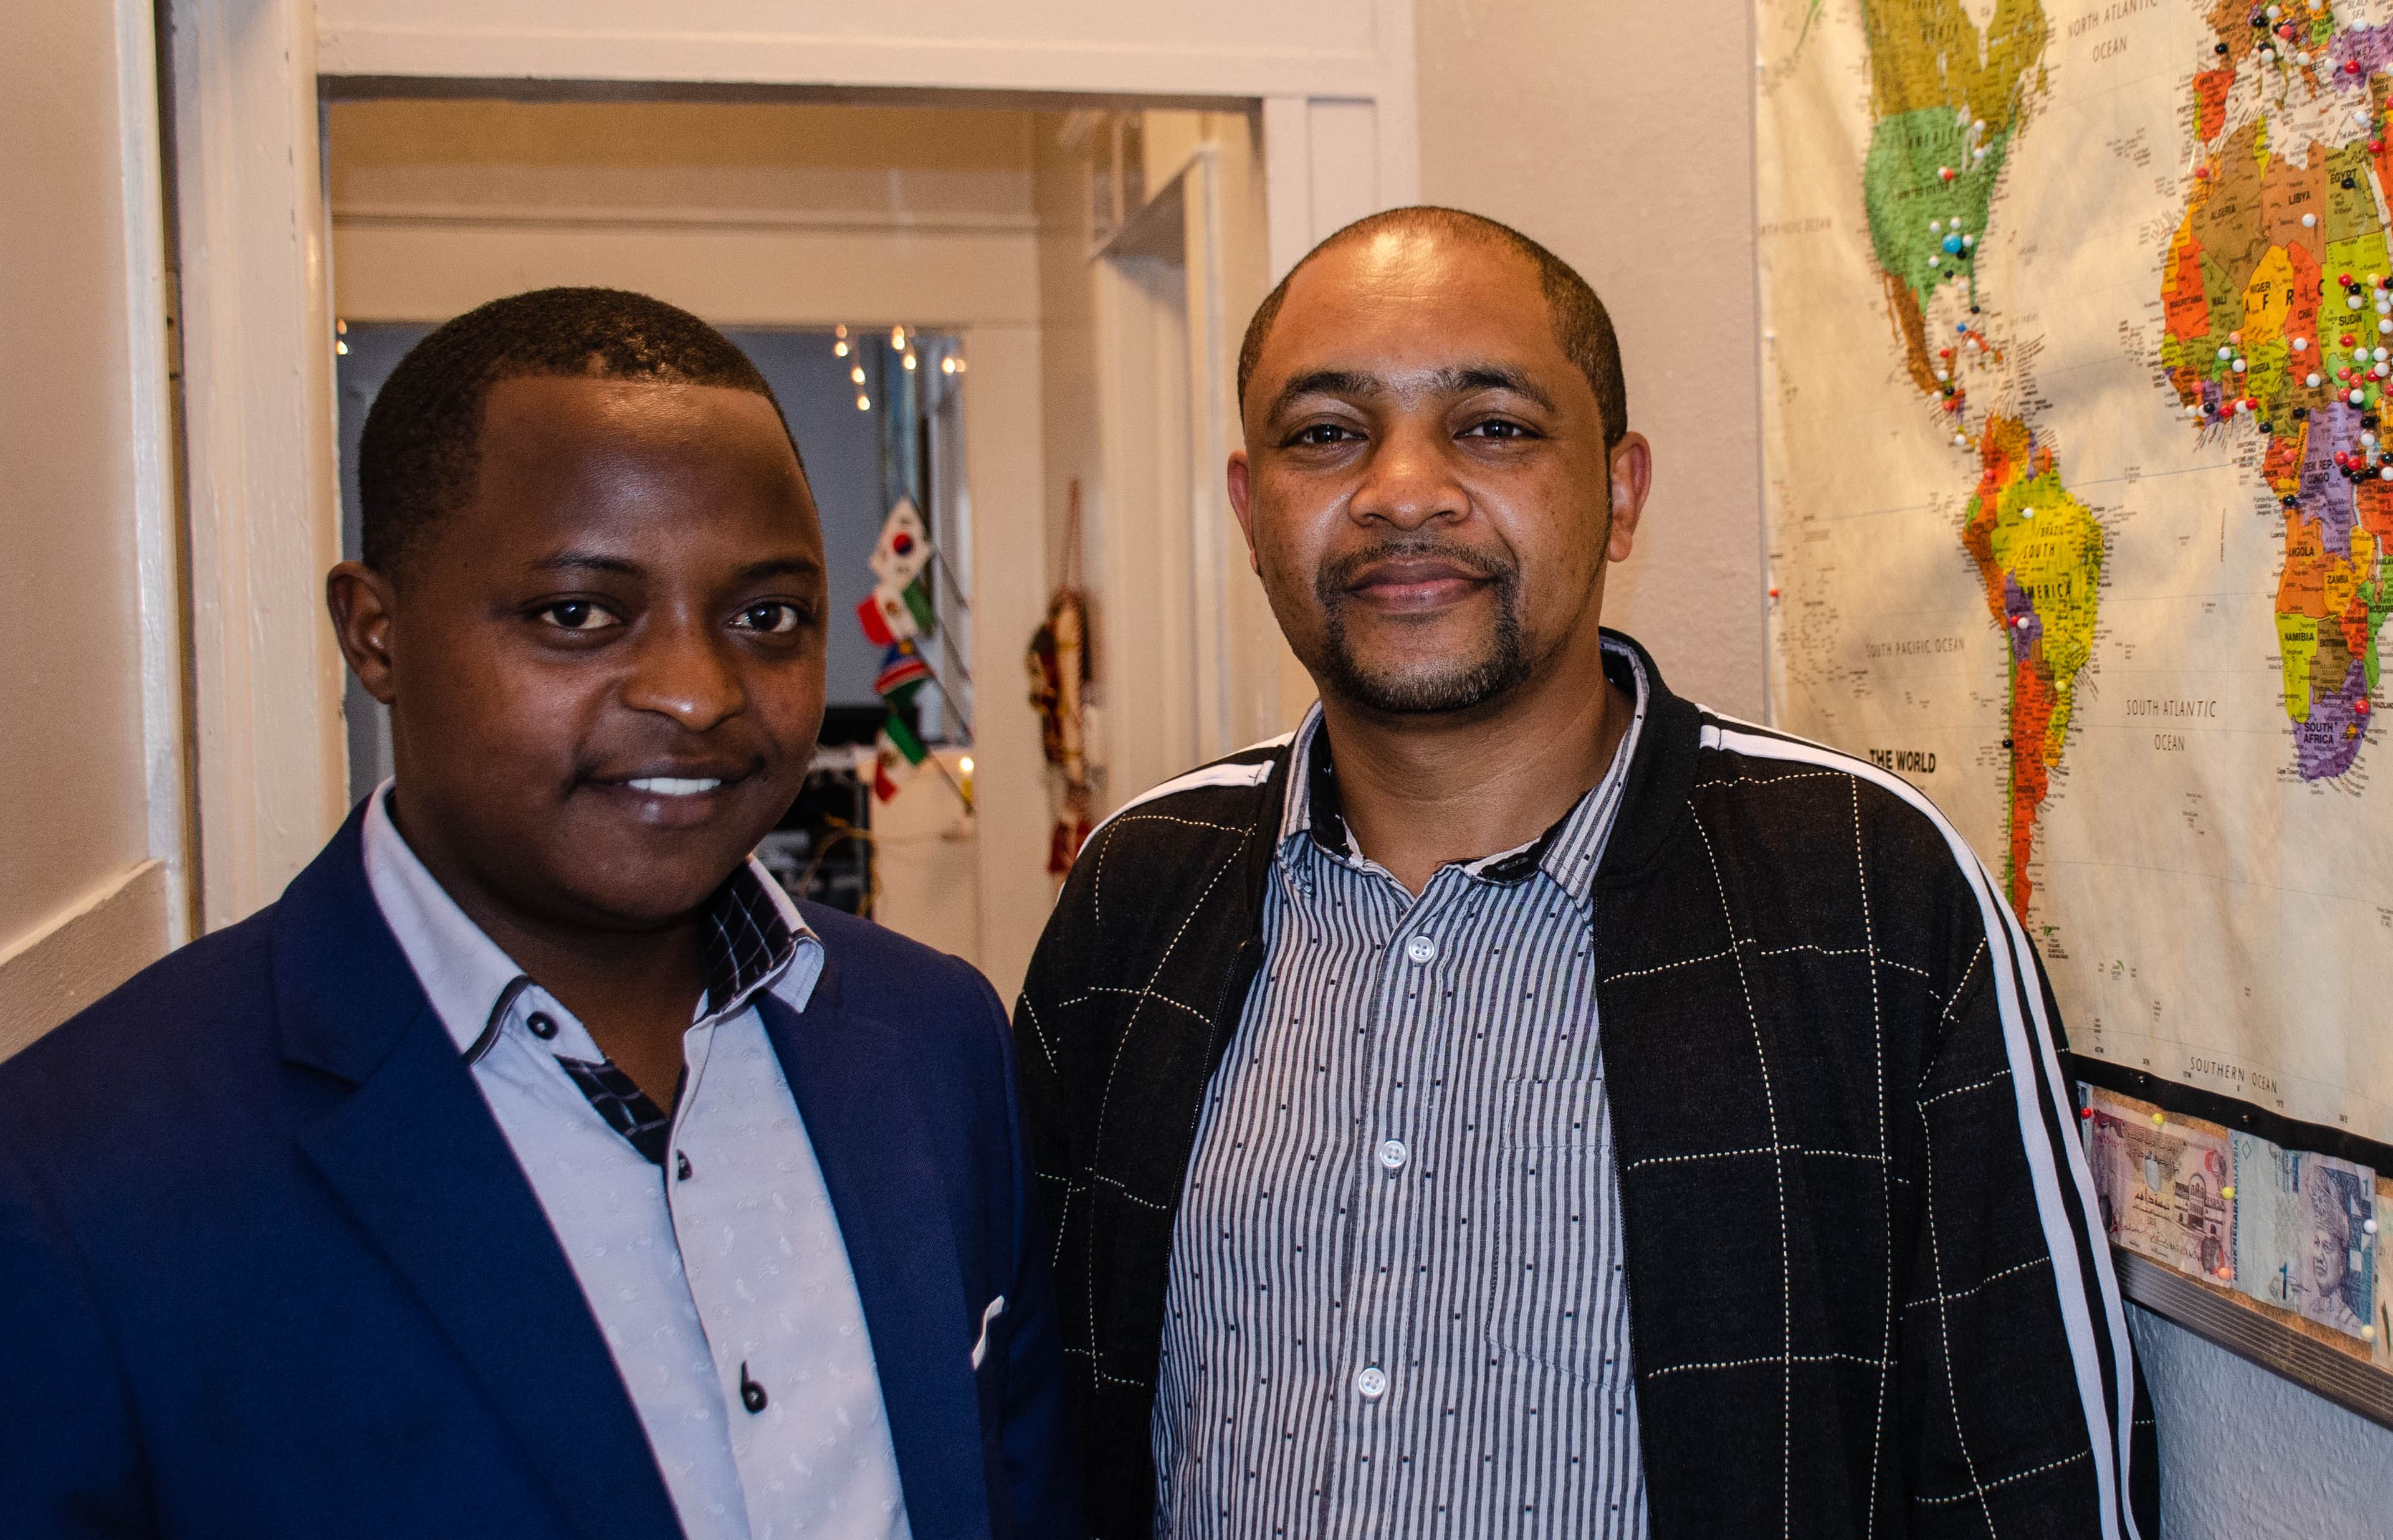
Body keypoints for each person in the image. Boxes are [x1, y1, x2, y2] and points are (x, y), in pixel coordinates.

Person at [1013, 209, 2157, 1538]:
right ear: (1249, 508)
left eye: (1492, 425)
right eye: (1326, 434)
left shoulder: (1868, 892)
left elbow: (2031, 1476)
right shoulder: (1137, 898)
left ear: (1621, 493)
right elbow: (1034, 1427)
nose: (1402, 489)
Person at [0, 288, 1075, 1540]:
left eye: (765, 617)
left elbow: (1020, 1481)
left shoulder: (934, 1039)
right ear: (375, 631)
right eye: (579, 614)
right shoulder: (78, 1179)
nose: (696, 693)